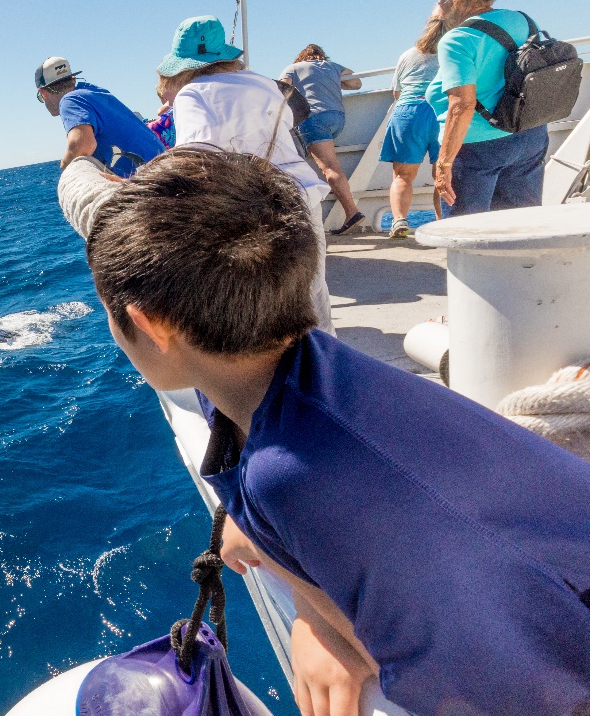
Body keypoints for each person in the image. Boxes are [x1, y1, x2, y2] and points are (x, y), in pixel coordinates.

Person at [85, 146, 590, 716]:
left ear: (151, 325)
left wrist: (328, 611)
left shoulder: (293, 479)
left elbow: (515, 681)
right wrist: (304, 594)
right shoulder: (300, 366)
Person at [155, 15, 333, 334]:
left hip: (263, 210)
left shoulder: (192, 94)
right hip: (305, 198)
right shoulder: (264, 83)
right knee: (315, 296)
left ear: (182, 67)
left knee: (277, 309)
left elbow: (195, 156)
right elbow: (297, 113)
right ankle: (329, 369)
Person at [422, 0, 549, 216]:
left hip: (478, 145)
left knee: (465, 232)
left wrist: (444, 164)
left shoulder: (458, 39)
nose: (437, 2)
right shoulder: (524, 21)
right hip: (529, 135)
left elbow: (462, 104)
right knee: (520, 225)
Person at [280, 45, 365, 234]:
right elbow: (356, 83)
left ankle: (352, 212)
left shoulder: (293, 68)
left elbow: (281, 93)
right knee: (327, 163)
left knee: (329, 167)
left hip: (313, 119)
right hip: (337, 118)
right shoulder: (332, 66)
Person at [34, 56, 165, 178]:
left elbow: (82, 145)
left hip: (152, 180)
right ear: (73, 79)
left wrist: (64, 167)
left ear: (43, 93)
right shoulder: (94, 92)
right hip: (167, 167)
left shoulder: (70, 101)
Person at [380, 15, 446, 238]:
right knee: (443, 174)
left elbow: (397, 92)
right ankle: (443, 224)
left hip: (409, 111)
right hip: (441, 111)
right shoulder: (453, 50)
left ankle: (399, 220)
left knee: (402, 177)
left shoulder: (407, 55)